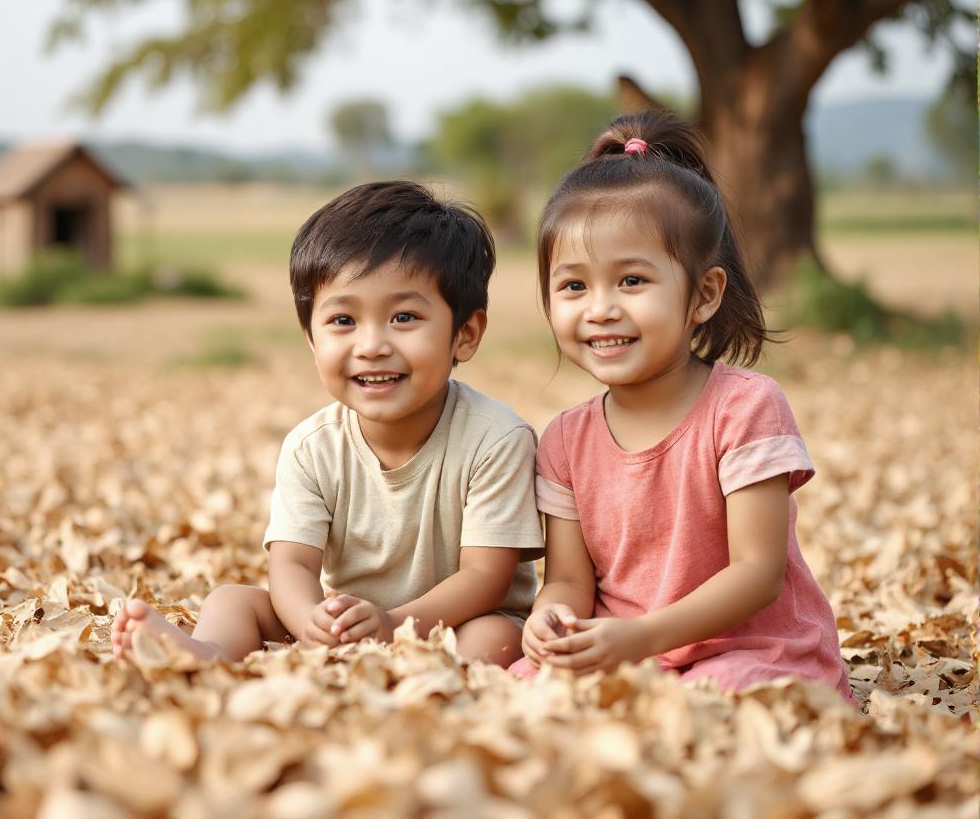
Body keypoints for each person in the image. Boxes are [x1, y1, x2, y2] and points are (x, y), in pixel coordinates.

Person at [113, 181, 545, 667]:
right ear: (311, 338)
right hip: (346, 623)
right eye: (343, 321)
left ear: (464, 335)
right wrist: (311, 625)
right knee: (231, 600)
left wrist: (394, 626)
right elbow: (293, 563)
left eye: (404, 317)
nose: (371, 345)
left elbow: (485, 576)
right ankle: (208, 654)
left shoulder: (495, 438)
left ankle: (435, 690)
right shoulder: (311, 447)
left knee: (493, 638)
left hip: (457, 622)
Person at [510, 111, 852, 700]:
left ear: (703, 295)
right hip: (628, 649)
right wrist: (552, 620)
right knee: (521, 690)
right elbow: (568, 578)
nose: (600, 309)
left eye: (632, 281)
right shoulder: (566, 439)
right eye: (573, 286)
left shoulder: (744, 408)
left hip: (750, 648)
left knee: (728, 695)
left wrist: (640, 638)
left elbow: (757, 575)